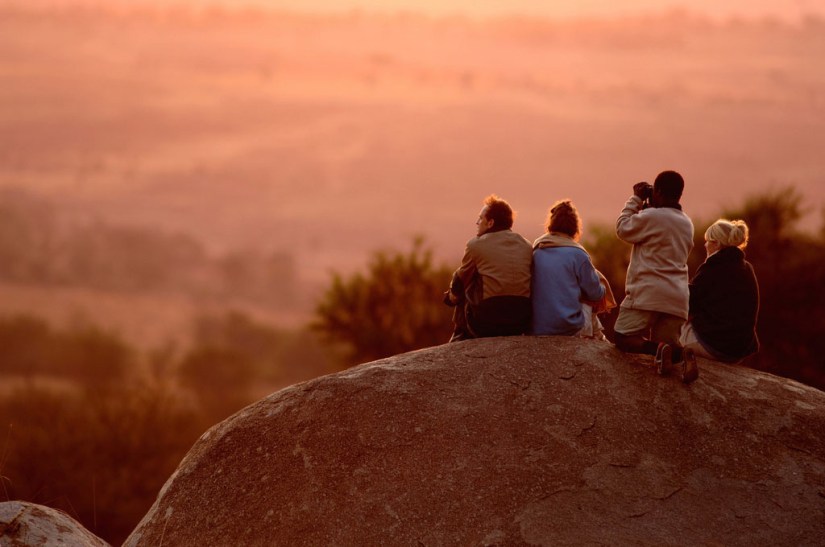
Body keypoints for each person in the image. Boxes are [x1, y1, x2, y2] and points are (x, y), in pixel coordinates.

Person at [613, 170, 698, 383]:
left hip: (647, 293)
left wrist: (636, 199)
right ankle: (681, 354)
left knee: (623, 337)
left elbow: (623, 228)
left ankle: (658, 349)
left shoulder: (651, 217)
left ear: (657, 191)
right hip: (677, 298)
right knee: (669, 346)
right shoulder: (687, 223)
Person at [444, 194, 533, 341]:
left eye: (480, 219)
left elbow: (460, 281)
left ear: (490, 223)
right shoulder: (527, 245)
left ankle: (458, 337)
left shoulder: (475, 245)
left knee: (466, 278)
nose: (477, 223)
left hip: (487, 323)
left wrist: (450, 297)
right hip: (521, 321)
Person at [531, 200, 614, 338]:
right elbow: (595, 294)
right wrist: (603, 287)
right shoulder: (578, 254)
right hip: (569, 328)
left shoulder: (537, 250)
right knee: (587, 302)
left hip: (538, 328)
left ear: (551, 225)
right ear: (575, 227)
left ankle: (599, 338)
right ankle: (600, 341)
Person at [680, 219, 760, 363]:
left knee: (674, 322)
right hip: (739, 351)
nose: (705, 245)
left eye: (708, 241)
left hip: (715, 347)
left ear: (716, 244)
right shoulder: (747, 268)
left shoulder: (713, 266)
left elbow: (688, 304)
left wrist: (676, 285)